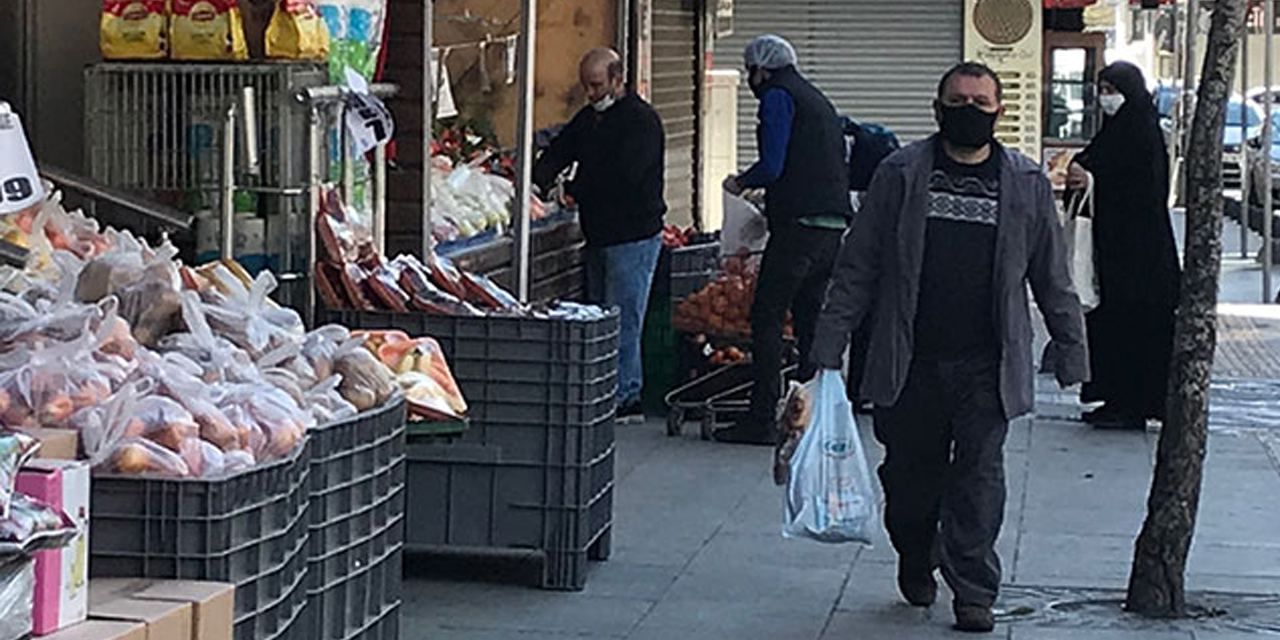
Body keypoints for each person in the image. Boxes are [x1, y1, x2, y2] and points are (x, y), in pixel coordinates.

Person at [809, 62, 1088, 633]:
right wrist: (827, 347)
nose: (969, 111)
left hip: (988, 362)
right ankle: (916, 551)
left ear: (999, 112)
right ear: (937, 110)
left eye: (980, 102)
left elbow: (1052, 276)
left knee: (979, 478)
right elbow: (858, 266)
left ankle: (973, 591)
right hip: (908, 359)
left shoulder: (1025, 182)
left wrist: (1071, 347)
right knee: (909, 480)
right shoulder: (900, 173)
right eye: (957, 101)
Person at [713, 34, 852, 445]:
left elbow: (773, 165)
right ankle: (808, 414)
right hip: (832, 228)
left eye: (750, 71)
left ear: (762, 69)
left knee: (767, 315)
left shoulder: (778, 95)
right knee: (809, 320)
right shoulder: (816, 98)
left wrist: (741, 182)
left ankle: (761, 415)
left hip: (799, 228)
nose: (751, 80)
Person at [532, 48, 667, 425]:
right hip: (601, 235)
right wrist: (538, 178)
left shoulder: (641, 122)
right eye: (586, 86)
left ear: (617, 79)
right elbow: (562, 148)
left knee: (622, 316)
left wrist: (575, 188)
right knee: (602, 315)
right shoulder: (591, 118)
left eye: (596, 85)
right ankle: (610, 389)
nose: (591, 93)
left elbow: (624, 178)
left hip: (633, 236)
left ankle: (626, 396)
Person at [1067, 61, 1180, 430]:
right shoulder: (1117, 132)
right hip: (1116, 255)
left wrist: (1092, 179)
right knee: (1114, 327)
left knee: (1135, 331)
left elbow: (1139, 191)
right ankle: (1117, 400)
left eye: (1112, 90)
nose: (1106, 98)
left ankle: (1133, 404)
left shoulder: (1141, 134)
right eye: (1101, 91)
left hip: (1141, 259)